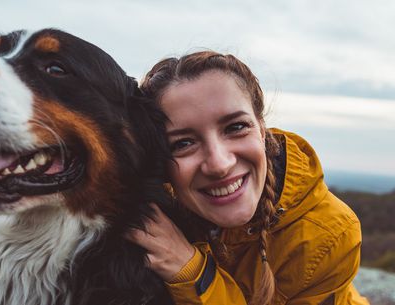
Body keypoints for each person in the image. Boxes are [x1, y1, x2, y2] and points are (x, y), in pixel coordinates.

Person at [126, 51, 370, 305]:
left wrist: (195, 275)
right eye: (183, 143)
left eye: (236, 127)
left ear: (262, 130)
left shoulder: (328, 234)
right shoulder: (148, 210)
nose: (219, 164)